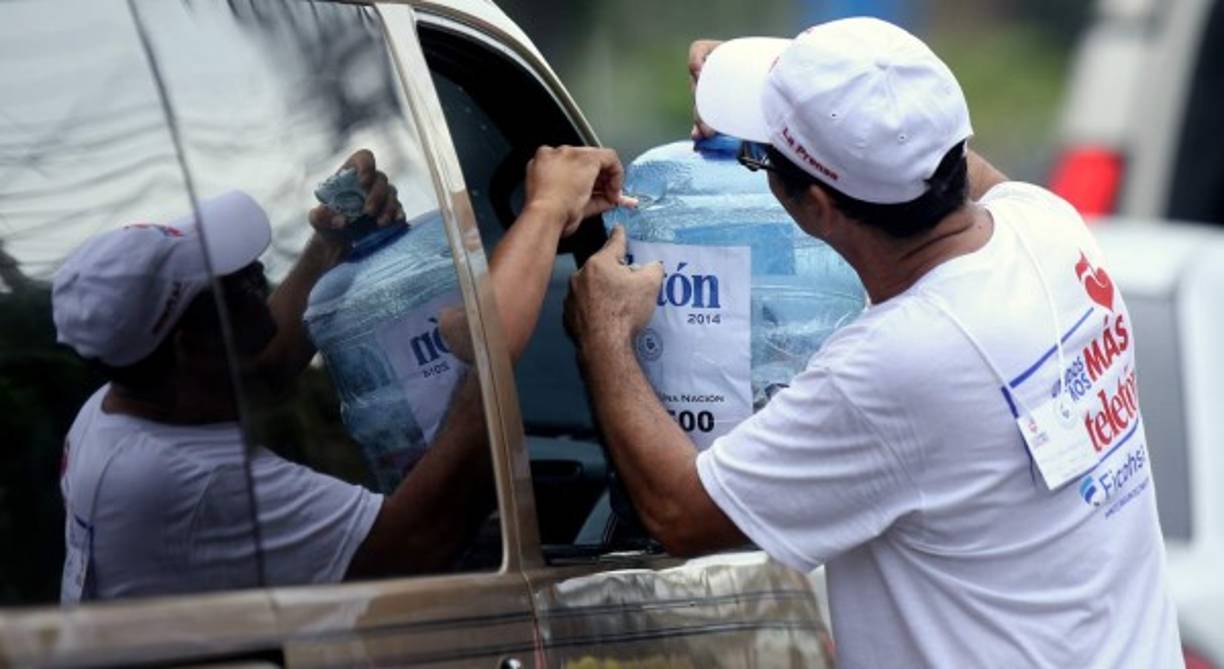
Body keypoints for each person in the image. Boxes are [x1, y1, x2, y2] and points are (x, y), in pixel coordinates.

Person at [563, 18, 1182, 667]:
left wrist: (604, 331)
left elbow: (679, 510)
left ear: (817, 208)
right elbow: (919, 150)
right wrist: (787, 95)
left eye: (760, 158)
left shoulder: (898, 363)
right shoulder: (1050, 231)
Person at [54, 146, 628, 601]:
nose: (257, 271)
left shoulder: (117, 407)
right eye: (237, 281)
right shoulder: (192, 482)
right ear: (191, 342)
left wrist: (331, 246)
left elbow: (264, 368)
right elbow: (419, 539)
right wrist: (541, 221)